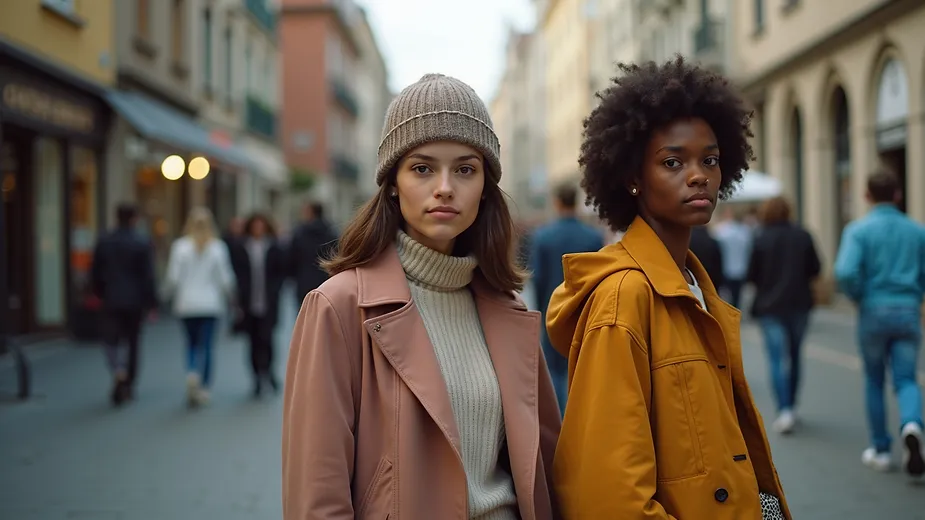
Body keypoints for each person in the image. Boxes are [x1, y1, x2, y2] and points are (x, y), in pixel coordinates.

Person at [282, 73, 561, 520]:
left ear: (485, 187)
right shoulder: (337, 307)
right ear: (393, 182)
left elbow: (547, 470)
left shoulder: (508, 310)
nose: (445, 186)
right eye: (422, 168)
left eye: (466, 169)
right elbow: (316, 496)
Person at [545, 57, 789, 519]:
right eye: (672, 162)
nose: (698, 175)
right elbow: (609, 496)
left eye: (710, 160)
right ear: (633, 178)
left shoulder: (695, 285)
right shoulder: (624, 297)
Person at [834, 170, 924, 478]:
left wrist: (859, 295)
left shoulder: (858, 231)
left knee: (874, 379)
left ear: (867, 196)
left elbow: (845, 272)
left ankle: (881, 449)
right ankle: (911, 423)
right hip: (908, 309)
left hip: (873, 309)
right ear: (898, 195)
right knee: (906, 379)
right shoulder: (916, 231)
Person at [747, 196, 821, 434]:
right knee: (795, 355)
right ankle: (793, 405)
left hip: (770, 307)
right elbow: (816, 269)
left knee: (777, 359)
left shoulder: (760, 238)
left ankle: (784, 408)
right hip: (799, 304)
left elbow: (752, 274)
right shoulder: (803, 235)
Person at [529, 182, 603, 416]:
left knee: (554, 370)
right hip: (585, 310)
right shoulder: (592, 236)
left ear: (557, 202)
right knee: (583, 365)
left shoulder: (542, 236)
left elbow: (537, 278)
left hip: (552, 309)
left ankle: (562, 419)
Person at [164, 207, 236, 407]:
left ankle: (192, 371)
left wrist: (166, 296)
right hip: (210, 304)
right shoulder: (218, 247)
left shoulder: (180, 247)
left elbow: (173, 278)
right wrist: (232, 298)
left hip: (186, 304)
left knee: (191, 343)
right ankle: (204, 387)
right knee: (207, 345)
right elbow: (225, 279)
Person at [91, 203, 158, 406]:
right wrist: (152, 302)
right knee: (133, 341)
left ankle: (118, 369)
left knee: (111, 339)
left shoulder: (105, 240)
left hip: (111, 297)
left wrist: (99, 292)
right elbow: (148, 275)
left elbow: (95, 272)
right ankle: (129, 381)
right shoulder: (141, 242)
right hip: (135, 300)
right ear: (134, 218)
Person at [229, 213, 288, 397]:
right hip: (249, 302)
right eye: (255, 225)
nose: (258, 229)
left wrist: (275, 289)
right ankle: (256, 377)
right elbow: (236, 272)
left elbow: (281, 271)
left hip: (269, 301)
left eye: (261, 225)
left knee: (268, 339)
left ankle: (269, 372)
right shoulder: (241, 247)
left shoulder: (273, 246)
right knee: (253, 341)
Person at [288, 202, 337, 309]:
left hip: (303, 281)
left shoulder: (300, 233)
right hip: (326, 282)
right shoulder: (331, 232)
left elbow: (291, 259)